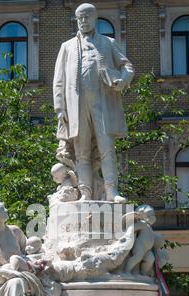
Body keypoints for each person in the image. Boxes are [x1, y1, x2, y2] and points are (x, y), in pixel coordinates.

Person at [53, 2, 134, 203]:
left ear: (95, 18)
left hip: (102, 103)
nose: (83, 21)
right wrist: (59, 108)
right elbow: (59, 81)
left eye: (87, 17)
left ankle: (111, 192)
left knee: (106, 148)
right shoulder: (67, 47)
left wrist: (122, 80)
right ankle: (86, 193)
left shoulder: (108, 43)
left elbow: (127, 67)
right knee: (81, 153)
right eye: (80, 18)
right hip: (76, 106)